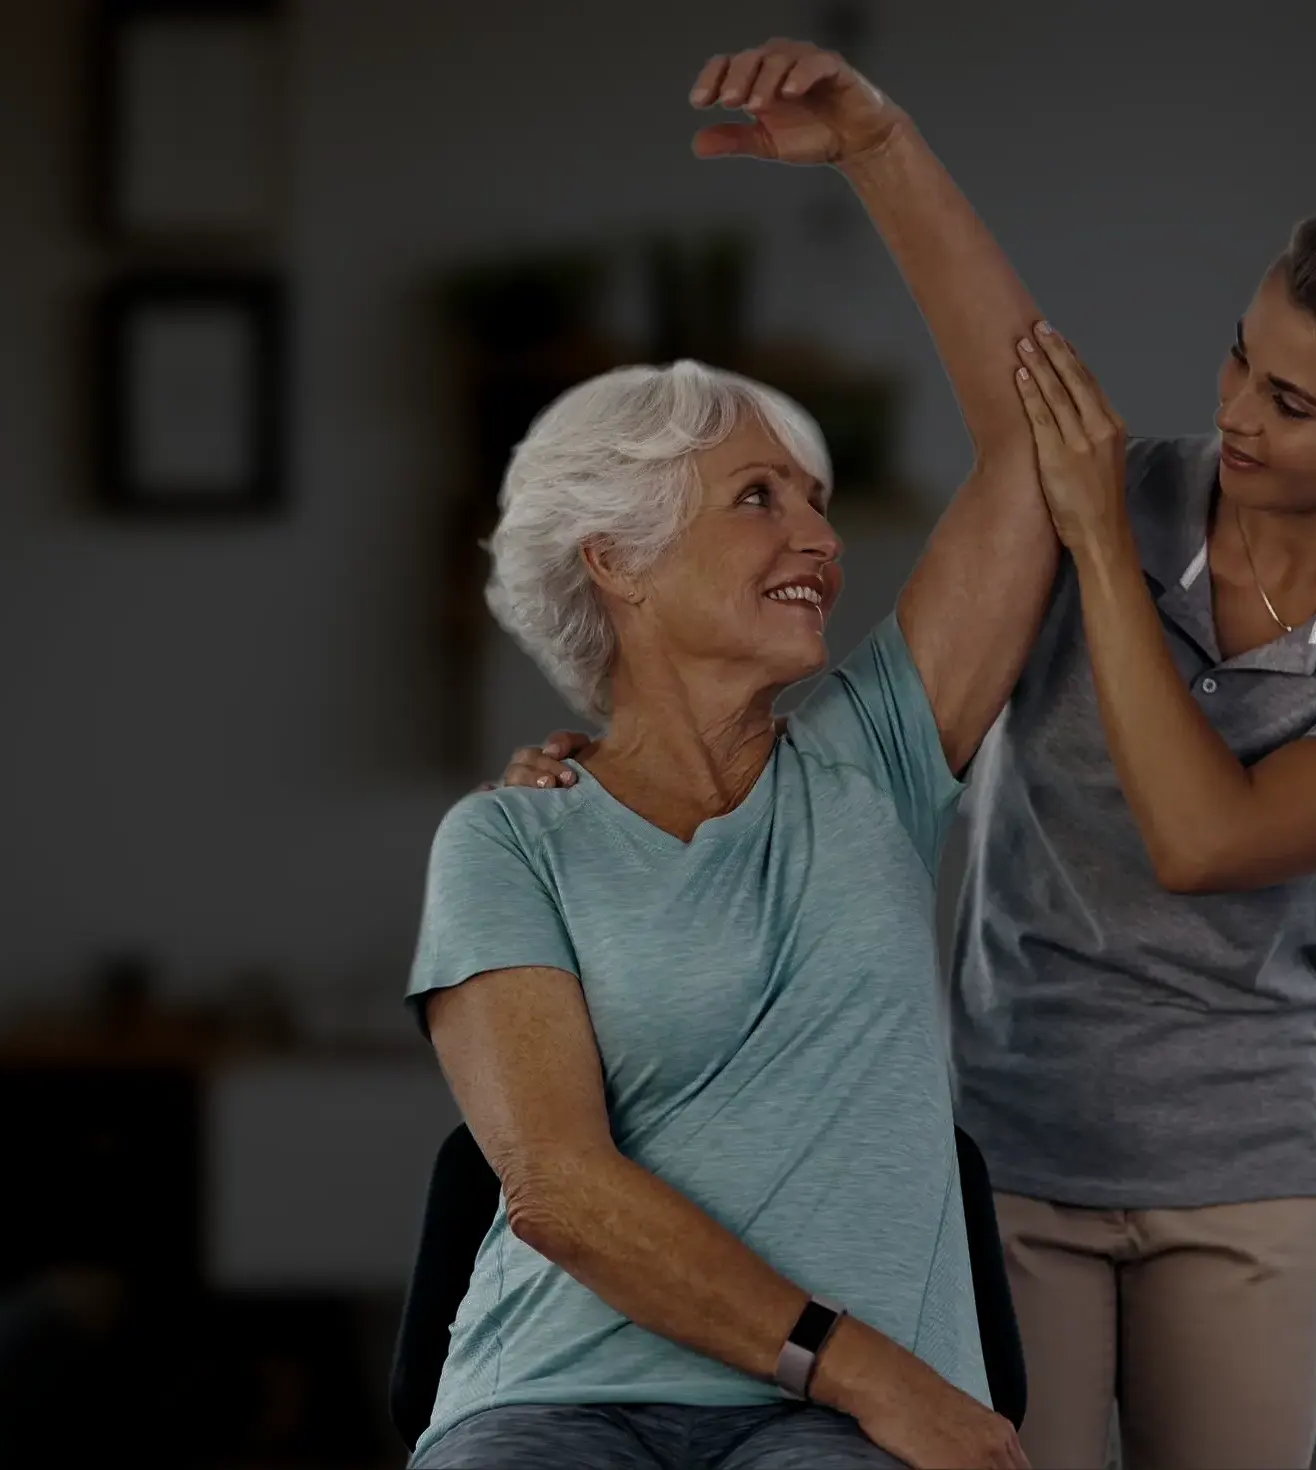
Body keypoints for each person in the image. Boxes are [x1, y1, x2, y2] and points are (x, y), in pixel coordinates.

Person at [493, 39, 1316, 1470]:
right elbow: (1008, 369)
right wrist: (875, 141)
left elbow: (1205, 838)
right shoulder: (1108, 486)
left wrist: (1101, 553)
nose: (1236, 412)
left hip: (1246, 1182)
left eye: (1294, 404)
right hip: (999, 1149)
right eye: (1240, 357)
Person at [402, 39, 1069, 1470]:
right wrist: (871, 1373)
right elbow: (558, 1190)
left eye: (816, 499)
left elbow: (1040, 450)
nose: (820, 538)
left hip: (830, 1434)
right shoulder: (510, 838)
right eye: (759, 498)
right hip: (555, 1395)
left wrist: (881, 149)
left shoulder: (877, 756)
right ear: (619, 560)